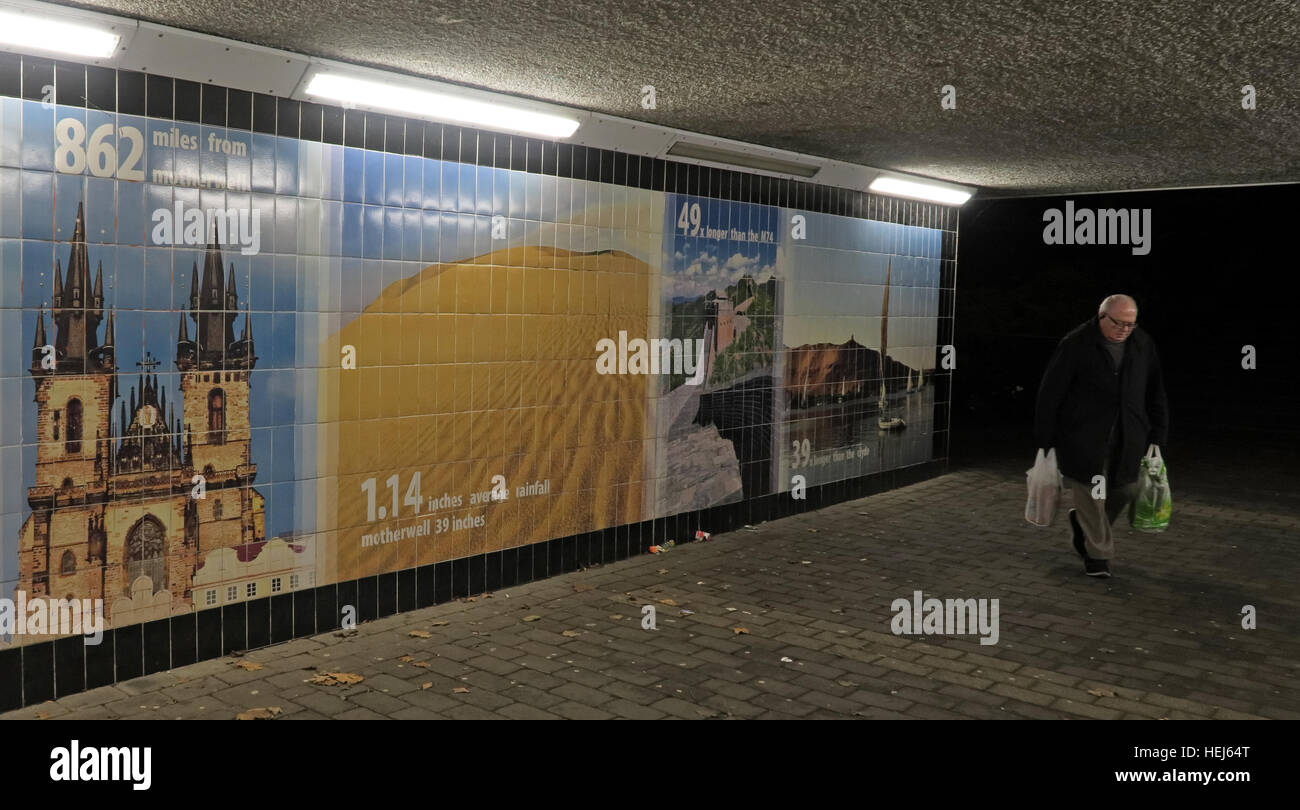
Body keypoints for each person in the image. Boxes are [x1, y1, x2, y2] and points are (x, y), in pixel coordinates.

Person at [1033, 294, 1169, 577]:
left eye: (1130, 324)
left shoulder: (1142, 344)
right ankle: (1098, 556)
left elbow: (1155, 389)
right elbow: (1051, 390)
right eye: (1119, 323)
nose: (1124, 329)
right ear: (1101, 317)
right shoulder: (1076, 343)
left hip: (1129, 432)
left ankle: (1083, 527)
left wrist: (1159, 429)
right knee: (1092, 494)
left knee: (1126, 489)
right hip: (1082, 434)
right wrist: (1045, 435)